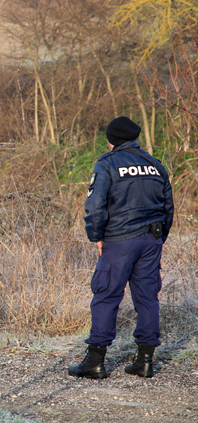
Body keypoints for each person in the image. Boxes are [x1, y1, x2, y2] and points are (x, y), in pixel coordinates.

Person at [69, 116, 174, 379]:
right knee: (148, 297)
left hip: (119, 240)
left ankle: (95, 362)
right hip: (151, 240)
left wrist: (97, 237)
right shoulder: (155, 165)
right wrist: (159, 238)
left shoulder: (107, 164)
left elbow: (95, 206)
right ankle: (145, 361)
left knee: (106, 296)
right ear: (135, 137)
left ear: (111, 140)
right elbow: (168, 207)